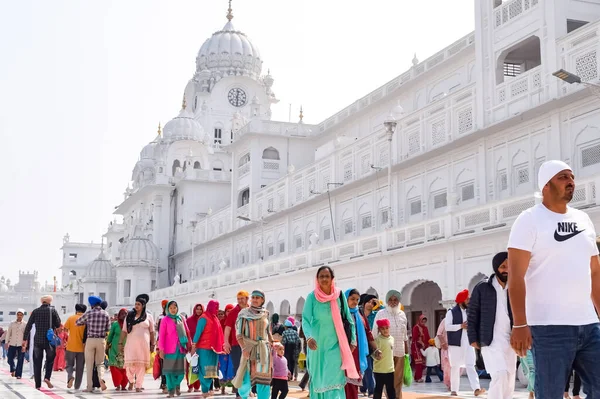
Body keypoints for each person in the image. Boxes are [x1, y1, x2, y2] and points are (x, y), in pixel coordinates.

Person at [508, 160, 600, 398]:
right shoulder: (529, 220)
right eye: (563, 177)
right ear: (546, 186)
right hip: (549, 328)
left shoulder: (584, 219)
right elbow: (516, 275)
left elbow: (595, 272)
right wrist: (520, 324)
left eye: (571, 176)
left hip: (589, 326)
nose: (571, 181)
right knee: (550, 394)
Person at [302, 267, 358, 399]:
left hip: (335, 345)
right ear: (317, 279)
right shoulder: (312, 297)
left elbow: (348, 319)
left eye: (327, 276)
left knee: (334, 381)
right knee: (319, 380)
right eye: (321, 276)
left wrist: (353, 340)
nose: (324, 279)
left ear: (332, 279)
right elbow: (305, 320)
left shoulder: (339, 295)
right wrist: (309, 338)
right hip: (317, 347)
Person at [467, 251, 515, 399]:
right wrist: (472, 337)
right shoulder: (482, 287)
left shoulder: (515, 287)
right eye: (502, 266)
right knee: (499, 375)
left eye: (509, 266)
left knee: (509, 378)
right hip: (489, 340)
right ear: (496, 268)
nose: (506, 270)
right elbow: (472, 313)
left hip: (511, 341)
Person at [231, 290, 274, 399]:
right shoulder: (244, 314)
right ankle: (243, 396)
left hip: (263, 350)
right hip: (249, 349)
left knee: (263, 380)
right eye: (253, 297)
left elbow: (268, 331)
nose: (254, 300)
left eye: (257, 298)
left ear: (262, 300)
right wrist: (244, 348)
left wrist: (272, 343)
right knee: (245, 379)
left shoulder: (266, 313)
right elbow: (239, 334)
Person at [446, 289, 483, 396]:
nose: (469, 300)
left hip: (468, 343)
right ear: (461, 300)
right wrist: (461, 326)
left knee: (471, 365)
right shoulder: (451, 312)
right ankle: (454, 390)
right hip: (456, 344)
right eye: (467, 299)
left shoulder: (470, 312)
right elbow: (447, 327)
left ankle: (476, 389)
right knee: (455, 367)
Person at [372, 290, 409, 399]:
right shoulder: (381, 314)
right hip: (385, 353)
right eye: (390, 300)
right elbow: (374, 333)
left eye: (395, 300)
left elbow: (405, 335)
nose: (393, 302)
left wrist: (407, 353)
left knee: (398, 380)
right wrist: (375, 351)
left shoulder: (402, 314)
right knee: (387, 382)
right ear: (387, 301)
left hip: (399, 352)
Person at [22, 294, 61, 390]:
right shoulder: (52, 311)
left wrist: (24, 339)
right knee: (50, 359)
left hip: (38, 340)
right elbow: (58, 323)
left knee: (37, 362)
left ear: (41, 302)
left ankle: (38, 385)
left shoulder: (35, 311)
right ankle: (47, 377)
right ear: (49, 302)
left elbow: (29, 325)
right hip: (49, 340)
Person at [344, 288, 377, 399]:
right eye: (352, 299)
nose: (355, 302)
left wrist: (376, 349)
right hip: (343, 354)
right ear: (345, 299)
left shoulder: (360, 314)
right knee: (343, 385)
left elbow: (368, 333)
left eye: (357, 300)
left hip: (357, 354)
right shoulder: (341, 314)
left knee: (353, 385)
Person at [119, 293, 155, 392]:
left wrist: (153, 344)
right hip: (131, 345)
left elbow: (152, 332)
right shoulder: (129, 316)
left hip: (143, 345)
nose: (136, 306)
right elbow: (124, 331)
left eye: (138, 304)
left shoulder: (148, 317)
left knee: (141, 366)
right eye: (135, 304)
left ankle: (138, 385)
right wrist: (120, 343)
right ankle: (131, 380)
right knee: (129, 365)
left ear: (143, 306)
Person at [76, 295, 110, 392]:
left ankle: (89, 387)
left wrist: (87, 323)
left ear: (92, 305)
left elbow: (77, 322)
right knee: (100, 363)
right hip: (101, 340)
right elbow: (108, 328)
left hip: (90, 340)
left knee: (89, 364)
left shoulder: (89, 313)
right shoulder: (106, 314)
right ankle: (101, 379)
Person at [159, 300, 192, 398]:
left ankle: (176, 385)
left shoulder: (181, 318)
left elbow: (187, 332)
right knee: (169, 372)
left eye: (175, 307)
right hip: (168, 349)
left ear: (177, 308)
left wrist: (189, 344)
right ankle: (171, 391)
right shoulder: (165, 320)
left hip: (180, 348)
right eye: (171, 308)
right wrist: (161, 349)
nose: (173, 310)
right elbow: (162, 335)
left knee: (180, 372)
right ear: (167, 309)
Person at [192, 299, 224, 396]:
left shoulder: (215, 318)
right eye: (215, 307)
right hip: (204, 349)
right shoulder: (203, 318)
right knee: (204, 369)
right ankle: (204, 390)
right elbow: (198, 333)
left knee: (211, 370)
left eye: (218, 308)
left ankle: (207, 389)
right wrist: (193, 345)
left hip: (213, 349)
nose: (217, 309)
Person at [224, 290, 250, 399]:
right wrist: (226, 342)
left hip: (250, 344)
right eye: (238, 299)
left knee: (250, 368)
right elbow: (228, 328)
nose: (240, 301)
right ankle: (239, 393)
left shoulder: (251, 310)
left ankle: (248, 390)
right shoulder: (234, 312)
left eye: (242, 298)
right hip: (236, 345)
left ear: (247, 299)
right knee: (238, 368)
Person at [359, 294, 378, 398]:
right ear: (364, 302)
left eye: (373, 303)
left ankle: (371, 391)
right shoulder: (358, 314)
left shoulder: (375, 314)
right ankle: (363, 388)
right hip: (361, 343)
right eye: (369, 302)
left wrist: (378, 305)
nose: (371, 304)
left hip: (372, 343)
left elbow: (385, 310)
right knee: (364, 367)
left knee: (369, 368)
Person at [64, 304, 87, 390]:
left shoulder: (71, 318)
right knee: (80, 368)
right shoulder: (86, 319)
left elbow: (65, 329)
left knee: (69, 365)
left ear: (76, 310)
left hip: (71, 346)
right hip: (82, 348)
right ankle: (77, 386)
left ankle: (70, 377)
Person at [373, 319, 395, 399]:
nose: (385, 330)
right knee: (378, 390)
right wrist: (377, 355)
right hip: (379, 370)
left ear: (389, 328)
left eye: (387, 328)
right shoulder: (377, 340)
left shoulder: (392, 339)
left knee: (391, 390)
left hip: (390, 370)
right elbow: (373, 354)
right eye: (382, 328)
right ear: (379, 329)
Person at [107, 308, 128, 391]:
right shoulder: (115, 324)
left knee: (125, 367)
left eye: (125, 314)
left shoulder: (130, 325)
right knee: (114, 367)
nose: (124, 315)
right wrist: (107, 344)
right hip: (115, 349)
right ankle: (117, 384)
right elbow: (110, 336)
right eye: (122, 314)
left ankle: (124, 385)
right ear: (119, 315)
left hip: (126, 349)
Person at [186, 303, 205, 393]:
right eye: (197, 309)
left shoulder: (204, 320)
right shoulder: (189, 320)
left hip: (201, 347)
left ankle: (197, 386)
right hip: (190, 347)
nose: (198, 311)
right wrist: (189, 345)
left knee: (199, 367)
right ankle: (190, 385)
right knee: (190, 366)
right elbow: (186, 333)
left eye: (200, 309)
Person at [219, 304, 236, 394]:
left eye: (231, 311)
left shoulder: (235, 321)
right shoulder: (221, 322)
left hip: (233, 348)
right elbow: (220, 336)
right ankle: (223, 388)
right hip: (223, 349)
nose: (229, 313)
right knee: (223, 368)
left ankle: (234, 387)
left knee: (232, 367)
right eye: (227, 311)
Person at [6, 308, 26, 379]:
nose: (19, 316)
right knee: (9, 358)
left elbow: (26, 335)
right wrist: (6, 342)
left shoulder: (25, 324)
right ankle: (13, 369)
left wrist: (25, 345)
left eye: (21, 315)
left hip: (21, 344)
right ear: (16, 315)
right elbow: (8, 333)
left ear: (23, 316)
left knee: (20, 360)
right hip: (12, 343)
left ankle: (18, 374)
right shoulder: (12, 323)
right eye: (18, 315)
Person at [411, 314, 430, 383]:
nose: (423, 322)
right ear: (420, 320)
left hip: (424, 347)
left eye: (425, 321)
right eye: (422, 321)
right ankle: (418, 377)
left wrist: (429, 345)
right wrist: (421, 343)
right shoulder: (416, 327)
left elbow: (428, 337)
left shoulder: (425, 328)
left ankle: (417, 377)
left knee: (423, 364)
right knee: (418, 362)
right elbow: (415, 338)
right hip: (416, 347)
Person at [156, 299, 169, 393]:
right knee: (163, 364)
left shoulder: (175, 317)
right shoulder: (160, 317)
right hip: (162, 343)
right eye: (164, 305)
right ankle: (164, 383)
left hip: (172, 344)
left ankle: (171, 383)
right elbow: (158, 332)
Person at [435, 317, 451, 391]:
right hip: (446, 347)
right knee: (447, 367)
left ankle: (453, 383)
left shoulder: (459, 319)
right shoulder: (445, 320)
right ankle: (449, 384)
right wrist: (443, 343)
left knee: (458, 367)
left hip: (457, 347)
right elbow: (439, 333)